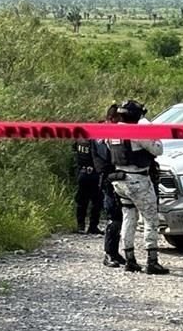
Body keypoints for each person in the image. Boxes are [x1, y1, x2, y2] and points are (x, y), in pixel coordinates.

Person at [107, 100, 170, 274]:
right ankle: (152, 261)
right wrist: (152, 133)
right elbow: (157, 149)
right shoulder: (137, 131)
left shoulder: (112, 131)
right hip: (137, 179)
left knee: (129, 217)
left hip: (120, 179)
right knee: (151, 219)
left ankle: (130, 259)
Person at [99, 103, 126, 268]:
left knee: (119, 217)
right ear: (112, 118)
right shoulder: (102, 135)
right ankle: (109, 253)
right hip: (109, 179)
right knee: (113, 217)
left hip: (117, 178)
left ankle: (114, 252)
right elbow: (104, 161)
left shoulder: (113, 133)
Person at [72, 132, 104, 235]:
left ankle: (80, 225)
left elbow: (74, 152)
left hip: (82, 173)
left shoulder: (78, 140)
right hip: (95, 174)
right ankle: (93, 226)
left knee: (82, 201)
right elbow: (102, 154)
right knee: (97, 201)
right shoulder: (96, 141)